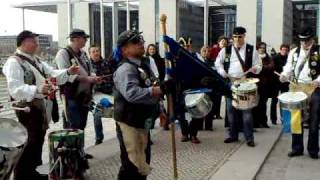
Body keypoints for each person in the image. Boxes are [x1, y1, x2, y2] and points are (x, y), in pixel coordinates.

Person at [2, 30, 80, 179]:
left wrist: (68, 72)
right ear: (24, 42)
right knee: (29, 142)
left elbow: (52, 73)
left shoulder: (35, 60)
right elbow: (15, 89)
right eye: (34, 41)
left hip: (40, 108)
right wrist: (37, 89)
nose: (37, 44)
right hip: (28, 109)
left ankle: (32, 172)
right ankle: (22, 175)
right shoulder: (14, 62)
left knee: (37, 140)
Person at [113, 30, 170, 179]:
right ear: (124, 49)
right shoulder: (125, 69)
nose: (141, 43)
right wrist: (158, 90)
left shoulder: (143, 64)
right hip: (129, 123)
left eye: (141, 39)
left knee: (141, 164)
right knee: (133, 166)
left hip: (141, 121)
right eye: (135, 41)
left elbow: (153, 85)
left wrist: (161, 109)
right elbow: (132, 94)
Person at [215, 26, 262, 147]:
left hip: (245, 83)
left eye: (239, 37)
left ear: (244, 36)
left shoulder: (251, 50)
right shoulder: (226, 50)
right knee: (231, 111)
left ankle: (249, 137)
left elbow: (258, 65)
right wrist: (222, 72)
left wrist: (255, 69)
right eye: (234, 37)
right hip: (231, 83)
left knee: (246, 112)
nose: (237, 39)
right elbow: (218, 63)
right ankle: (233, 135)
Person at [279, 27, 320, 159]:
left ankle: (313, 150)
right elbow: (288, 67)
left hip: (314, 88)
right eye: (302, 41)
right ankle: (297, 148)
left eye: (307, 41)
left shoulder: (318, 50)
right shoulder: (294, 52)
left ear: (312, 39)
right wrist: (284, 75)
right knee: (296, 120)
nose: (304, 43)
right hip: (296, 87)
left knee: (314, 120)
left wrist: (318, 80)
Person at [55, 29, 102, 131]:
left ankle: (79, 147)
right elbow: (65, 75)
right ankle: (69, 146)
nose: (86, 40)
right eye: (84, 38)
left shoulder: (83, 53)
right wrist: (87, 79)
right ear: (75, 39)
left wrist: (94, 77)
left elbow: (90, 70)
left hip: (84, 97)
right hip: (71, 97)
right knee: (73, 127)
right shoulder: (63, 53)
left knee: (81, 125)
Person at [89, 45, 115, 145]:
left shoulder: (107, 63)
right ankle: (99, 138)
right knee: (97, 115)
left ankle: (120, 132)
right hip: (96, 94)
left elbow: (113, 76)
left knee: (116, 112)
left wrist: (105, 80)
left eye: (97, 51)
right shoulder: (88, 65)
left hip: (109, 91)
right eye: (93, 51)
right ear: (90, 54)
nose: (96, 53)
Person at [253, 42, 275, 128]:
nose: (262, 49)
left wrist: (261, 68)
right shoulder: (254, 57)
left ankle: (263, 122)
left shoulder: (268, 57)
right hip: (255, 83)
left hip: (265, 83)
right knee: (255, 103)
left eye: (263, 47)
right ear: (257, 48)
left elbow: (271, 67)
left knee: (263, 103)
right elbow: (252, 68)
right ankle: (255, 122)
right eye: (260, 47)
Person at [270, 44, 290, 124]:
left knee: (284, 101)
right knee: (274, 101)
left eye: (286, 50)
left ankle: (283, 118)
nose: (284, 51)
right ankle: (273, 119)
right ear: (280, 50)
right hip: (275, 82)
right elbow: (271, 69)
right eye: (283, 49)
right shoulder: (275, 58)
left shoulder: (289, 58)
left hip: (285, 82)